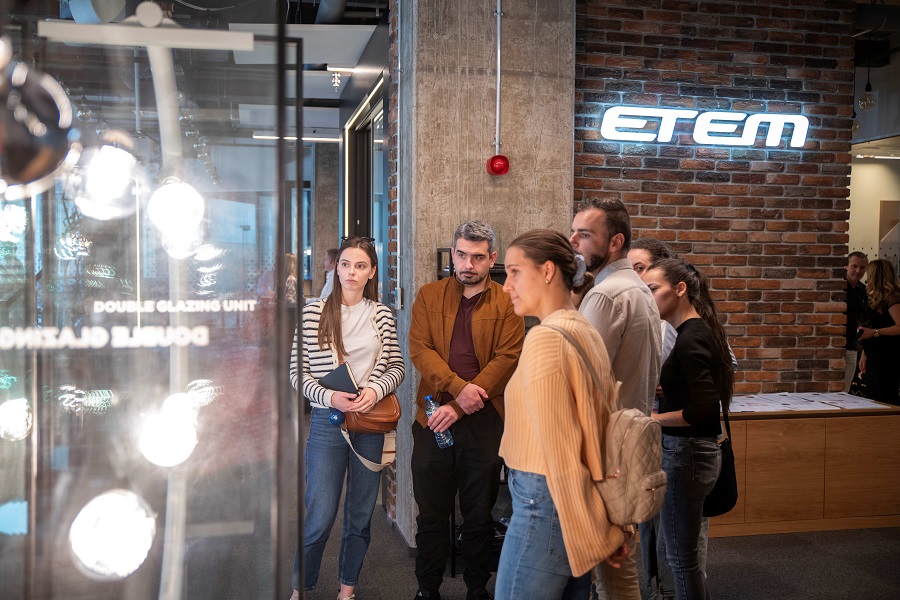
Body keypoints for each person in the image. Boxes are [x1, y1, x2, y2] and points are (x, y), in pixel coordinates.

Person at [495, 229, 630, 600]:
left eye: (514, 271)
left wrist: (595, 528)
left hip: (547, 500)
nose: (507, 286)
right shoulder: (581, 328)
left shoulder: (547, 339)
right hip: (565, 499)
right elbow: (597, 430)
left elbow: (562, 451)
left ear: (548, 271)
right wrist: (605, 520)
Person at [409, 220, 525, 600]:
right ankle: (427, 589)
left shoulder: (507, 301)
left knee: (478, 515)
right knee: (431, 514)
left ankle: (478, 589)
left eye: (477, 257)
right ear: (453, 253)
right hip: (433, 416)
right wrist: (458, 390)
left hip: (484, 419)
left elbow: (508, 358)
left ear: (492, 258)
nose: (467, 264)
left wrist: (461, 406)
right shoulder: (429, 295)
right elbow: (420, 350)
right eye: (461, 255)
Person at [289, 237, 405, 600]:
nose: (351, 272)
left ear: (372, 272)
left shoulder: (380, 314)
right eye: (345, 264)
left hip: (369, 423)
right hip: (328, 422)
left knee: (360, 515)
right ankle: (300, 589)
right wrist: (329, 397)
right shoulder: (313, 312)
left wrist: (376, 390)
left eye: (360, 266)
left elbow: (397, 366)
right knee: (320, 514)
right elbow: (297, 373)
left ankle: (347, 589)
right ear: (335, 268)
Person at [570, 199, 661, 600]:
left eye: (585, 234)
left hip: (606, 450)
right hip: (627, 443)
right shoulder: (637, 289)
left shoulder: (607, 296)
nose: (574, 241)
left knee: (612, 572)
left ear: (615, 242)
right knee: (616, 568)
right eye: (574, 232)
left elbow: (576, 377)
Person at [642, 258, 734, 600]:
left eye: (653, 289)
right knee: (682, 557)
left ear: (680, 289)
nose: (648, 297)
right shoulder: (690, 333)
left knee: (681, 559)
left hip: (687, 453)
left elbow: (703, 410)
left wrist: (653, 419)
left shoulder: (692, 336)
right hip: (687, 452)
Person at [857, 259, 900, 405]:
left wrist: (876, 332)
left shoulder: (893, 297)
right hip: (874, 354)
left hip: (887, 355)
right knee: (873, 395)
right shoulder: (875, 297)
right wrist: (864, 354)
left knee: (884, 396)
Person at [843, 252, 869, 391]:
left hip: (852, 345)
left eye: (862, 268)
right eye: (854, 266)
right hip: (835, 345)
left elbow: (864, 320)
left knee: (845, 390)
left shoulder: (863, 290)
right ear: (846, 266)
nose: (858, 271)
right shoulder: (837, 287)